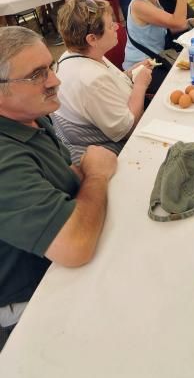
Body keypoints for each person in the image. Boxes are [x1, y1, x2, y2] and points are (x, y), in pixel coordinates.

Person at [0, 26, 117, 337]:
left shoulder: (32, 116)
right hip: (29, 303)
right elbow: (74, 247)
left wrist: (84, 175)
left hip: (57, 265)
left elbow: (63, 177)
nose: (55, 80)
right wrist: (96, 174)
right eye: (37, 74)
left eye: (50, 67)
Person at [52, 0, 152, 160]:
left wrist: (131, 73)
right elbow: (128, 130)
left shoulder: (80, 54)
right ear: (92, 39)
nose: (117, 27)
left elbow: (111, 82)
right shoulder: (90, 79)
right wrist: (140, 86)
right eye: (111, 25)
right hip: (112, 152)